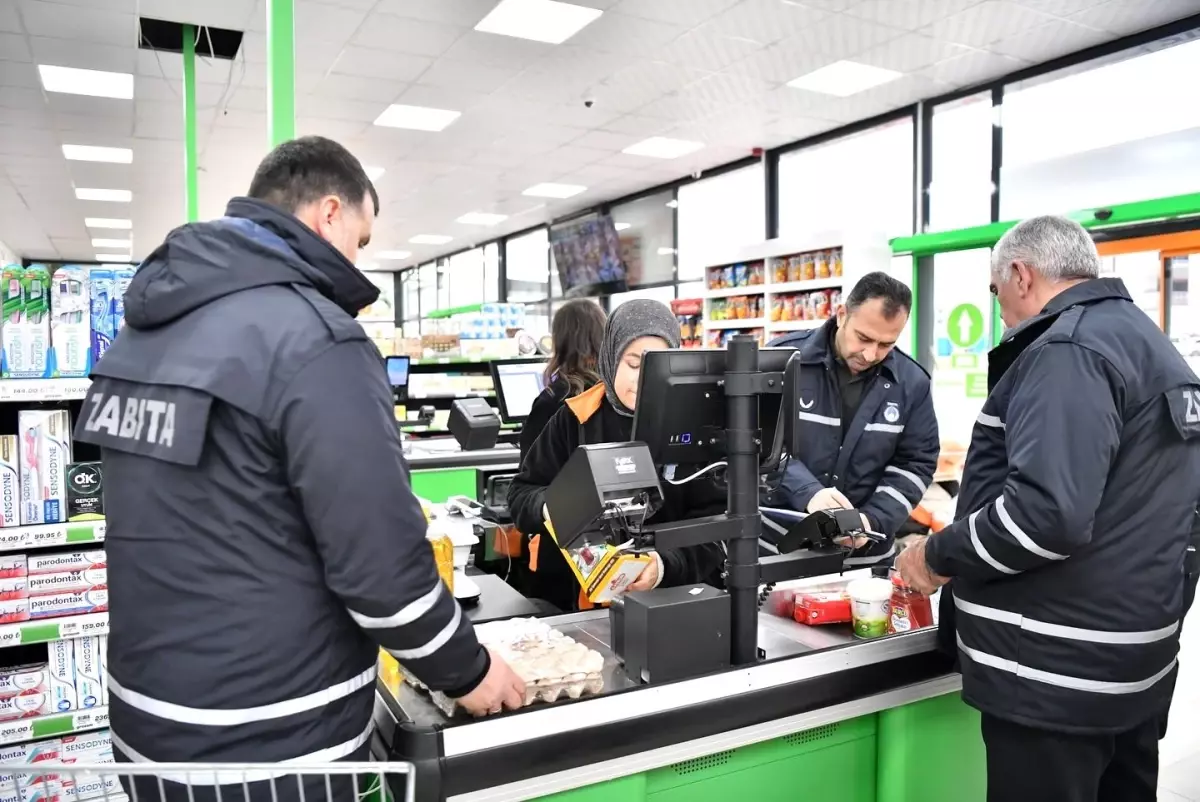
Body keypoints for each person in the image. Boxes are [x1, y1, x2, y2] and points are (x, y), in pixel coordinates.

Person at [73, 136, 525, 796]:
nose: (358, 257)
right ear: (330, 214)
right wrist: (469, 670)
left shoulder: (146, 331)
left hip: (145, 724)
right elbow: (382, 570)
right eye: (362, 240)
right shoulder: (314, 339)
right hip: (269, 742)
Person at [897, 215, 1200, 802]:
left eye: (995, 293)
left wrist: (935, 556)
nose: (1002, 312)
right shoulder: (1150, 344)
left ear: (1019, 275)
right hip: (1133, 664)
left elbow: (1045, 514)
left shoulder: (1066, 350)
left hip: (1056, 676)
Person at [508, 299, 726, 611]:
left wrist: (664, 565)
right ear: (610, 358)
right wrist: (557, 505)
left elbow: (717, 523)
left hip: (674, 606)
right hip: (577, 605)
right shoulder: (575, 418)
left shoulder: (697, 425)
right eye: (634, 365)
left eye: (657, 365)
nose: (642, 379)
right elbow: (521, 494)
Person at [765, 271, 939, 562]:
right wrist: (808, 492)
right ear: (842, 314)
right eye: (864, 338)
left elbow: (916, 464)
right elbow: (757, 441)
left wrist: (872, 520)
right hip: (776, 543)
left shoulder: (912, 383)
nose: (871, 354)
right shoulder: (781, 360)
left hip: (864, 556)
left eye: (886, 344)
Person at [518, 299, 607, 462]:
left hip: (565, 487)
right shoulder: (617, 393)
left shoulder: (553, 401)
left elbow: (528, 471)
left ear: (560, 342)